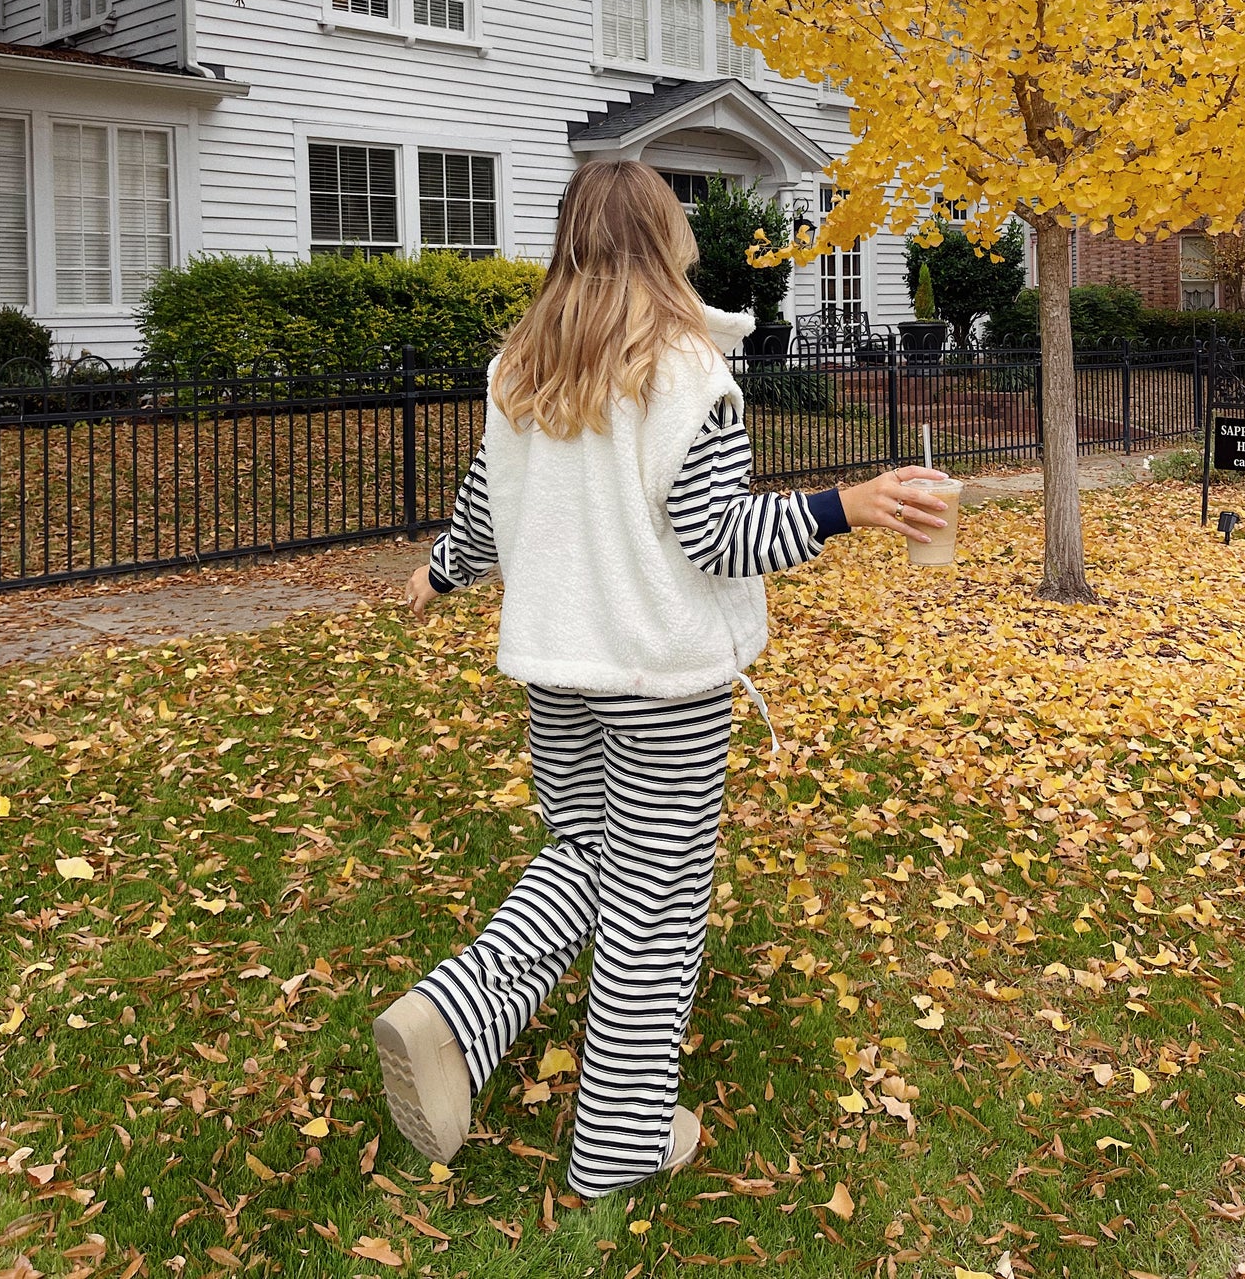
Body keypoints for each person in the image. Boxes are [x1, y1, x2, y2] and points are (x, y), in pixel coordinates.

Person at [373, 160, 949, 1199]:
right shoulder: (683, 371)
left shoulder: (522, 365)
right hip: (661, 682)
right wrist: (843, 505)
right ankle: (620, 1144)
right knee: (654, 903)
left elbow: (485, 501)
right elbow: (715, 535)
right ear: (662, 238)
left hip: (559, 672)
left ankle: (453, 1014)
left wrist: (439, 572)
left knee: (586, 853)